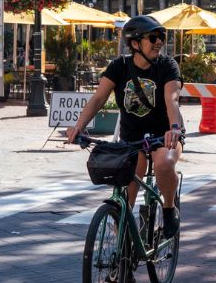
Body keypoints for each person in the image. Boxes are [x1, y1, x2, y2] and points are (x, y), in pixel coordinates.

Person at [67, 15, 185, 240]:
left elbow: (172, 99)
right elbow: (98, 99)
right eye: (153, 37)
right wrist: (78, 127)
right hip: (132, 139)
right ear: (135, 43)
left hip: (165, 133)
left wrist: (175, 127)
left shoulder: (167, 66)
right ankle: (122, 256)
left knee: (164, 164)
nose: (159, 41)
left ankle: (169, 209)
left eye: (161, 36)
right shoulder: (119, 66)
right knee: (125, 199)